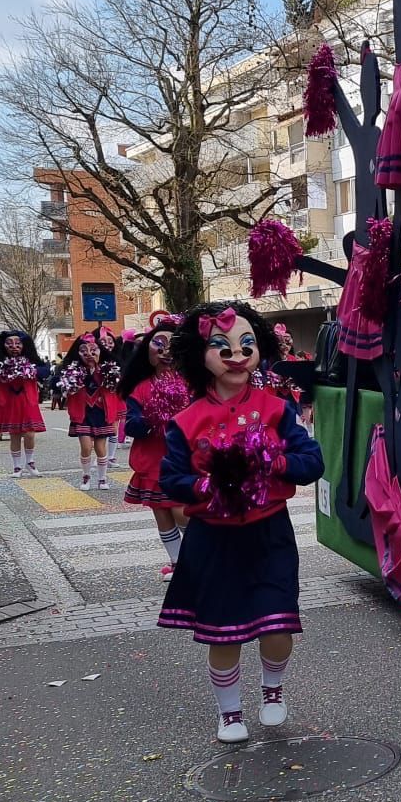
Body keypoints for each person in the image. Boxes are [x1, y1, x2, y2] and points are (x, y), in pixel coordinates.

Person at [157, 302, 325, 743]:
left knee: (279, 623)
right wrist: (206, 485)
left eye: (247, 344)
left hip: (269, 532)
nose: (237, 354)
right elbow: (170, 480)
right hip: (213, 539)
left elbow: (312, 461)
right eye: (223, 346)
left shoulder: (277, 410)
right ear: (201, 356)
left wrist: (276, 462)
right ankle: (230, 713)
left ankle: (273, 690)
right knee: (223, 632)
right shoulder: (185, 421)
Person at [118, 313, 192, 575]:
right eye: (159, 344)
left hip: (183, 458)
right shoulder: (140, 387)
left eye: (172, 346)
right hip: (151, 460)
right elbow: (131, 424)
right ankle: (177, 562)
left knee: (181, 510)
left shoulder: (192, 384)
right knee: (160, 511)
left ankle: (195, 559)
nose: (165, 352)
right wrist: (150, 420)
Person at [56, 333, 116, 490]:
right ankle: (86, 477)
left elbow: (114, 388)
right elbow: (65, 390)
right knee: (86, 447)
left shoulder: (107, 370)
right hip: (82, 413)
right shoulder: (73, 371)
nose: (89, 354)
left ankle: (102, 478)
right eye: (84, 351)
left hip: (101, 413)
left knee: (100, 448)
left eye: (93, 350)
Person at [0, 330, 46, 474]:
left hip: (28, 400)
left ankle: (30, 462)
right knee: (15, 434)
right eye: (9, 343)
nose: (14, 347)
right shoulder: (0, 361)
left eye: (18, 343)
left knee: (30, 433)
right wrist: (3, 370)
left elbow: (45, 370)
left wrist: (30, 370)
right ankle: (17, 466)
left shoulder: (30, 360)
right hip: (9, 400)